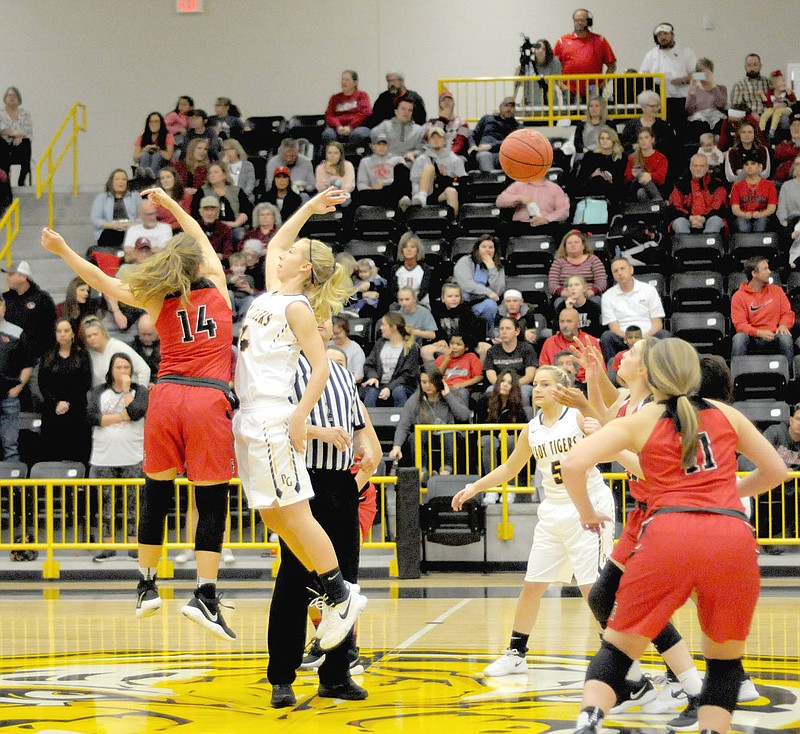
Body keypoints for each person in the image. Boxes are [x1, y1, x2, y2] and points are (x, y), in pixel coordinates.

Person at [560, 338, 787, 734]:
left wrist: (586, 512)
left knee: (617, 646)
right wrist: (728, 495)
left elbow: (574, 462)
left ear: (652, 373)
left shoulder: (644, 419)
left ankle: (590, 720)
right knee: (725, 662)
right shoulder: (726, 414)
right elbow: (776, 472)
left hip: (668, 529)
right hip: (731, 533)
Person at [42, 187, 239, 640]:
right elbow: (197, 235)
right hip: (207, 397)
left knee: (156, 491)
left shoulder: (156, 297)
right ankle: (205, 594)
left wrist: (63, 249)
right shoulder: (218, 284)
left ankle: (146, 585)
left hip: (166, 396)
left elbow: (102, 279)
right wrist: (171, 204)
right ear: (200, 264)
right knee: (209, 500)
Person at [232, 186, 369, 653]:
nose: (283, 253)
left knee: (293, 512)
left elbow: (323, 365)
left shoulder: (297, 307)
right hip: (248, 417)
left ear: (304, 268)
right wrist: (310, 207)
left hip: (272, 414)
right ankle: (335, 591)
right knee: (272, 513)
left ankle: (340, 594)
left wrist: (299, 417)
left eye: (294, 253)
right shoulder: (274, 293)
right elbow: (274, 244)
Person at [452, 365, 614, 675]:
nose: (536, 389)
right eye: (535, 384)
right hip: (552, 510)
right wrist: (475, 486)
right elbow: (510, 468)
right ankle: (516, 653)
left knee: (592, 590)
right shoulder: (532, 428)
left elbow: (607, 444)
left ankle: (616, 656)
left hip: (588, 506)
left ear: (561, 388)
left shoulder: (577, 417)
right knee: (532, 585)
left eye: (544, 384)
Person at [268, 317, 381, 707]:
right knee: (295, 581)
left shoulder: (343, 375)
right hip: (302, 482)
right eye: (312, 320)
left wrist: (364, 448)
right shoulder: (285, 369)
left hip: (339, 483)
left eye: (325, 320)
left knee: (345, 585)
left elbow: (357, 427)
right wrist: (319, 433)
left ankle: (335, 675)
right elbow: (278, 423)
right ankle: (281, 678)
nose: (320, 326)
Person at [88, 353, 149, 563]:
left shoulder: (139, 391)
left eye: (126, 368)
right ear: (110, 370)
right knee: (106, 504)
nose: (123, 372)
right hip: (103, 458)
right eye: (118, 368)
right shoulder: (99, 392)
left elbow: (136, 412)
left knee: (134, 504)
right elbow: (91, 417)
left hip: (133, 456)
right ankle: (108, 545)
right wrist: (119, 417)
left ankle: (134, 545)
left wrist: (125, 391)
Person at [388, 367, 471, 477]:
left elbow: (464, 416)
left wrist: (448, 396)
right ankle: (422, 473)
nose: (427, 385)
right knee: (416, 436)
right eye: (424, 382)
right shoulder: (415, 399)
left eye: (431, 382)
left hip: (448, 437)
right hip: (425, 437)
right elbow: (404, 424)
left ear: (439, 382)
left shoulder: (451, 396)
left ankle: (445, 473)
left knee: (448, 433)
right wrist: (396, 447)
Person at [37, 318, 92, 466]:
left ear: (73, 333)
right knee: (52, 452)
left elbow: (85, 383)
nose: (62, 334)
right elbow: (42, 384)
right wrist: (56, 403)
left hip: (76, 410)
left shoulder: (82, 355)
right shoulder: (47, 356)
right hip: (52, 411)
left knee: (76, 452)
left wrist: (68, 402)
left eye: (66, 331)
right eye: (59, 331)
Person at [600, 256, 668, 362]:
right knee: (606, 337)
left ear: (631, 270)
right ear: (612, 275)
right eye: (615, 271)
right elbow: (613, 327)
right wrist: (631, 338)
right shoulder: (608, 296)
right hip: (623, 337)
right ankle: (612, 372)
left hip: (648, 334)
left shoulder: (649, 290)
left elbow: (657, 323)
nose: (619, 273)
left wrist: (643, 336)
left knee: (664, 335)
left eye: (622, 269)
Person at [476, 370, 531, 497]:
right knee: (488, 441)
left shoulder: (517, 405)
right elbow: (480, 426)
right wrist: (498, 434)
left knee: (512, 440)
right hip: (488, 437)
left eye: (509, 382)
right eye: (503, 381)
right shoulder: (485, 400)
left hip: (509, 440)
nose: (505, 384)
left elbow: (522, 429)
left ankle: (509, 487)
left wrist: (506, 434)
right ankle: (492, 488)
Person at [730, 256, 795, 364]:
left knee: (785, 338)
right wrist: (758, 332)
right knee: (739, 339)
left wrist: (784, 325)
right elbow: (740, 325)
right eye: (765, 269)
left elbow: (787, 313)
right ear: (754, 274)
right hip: (752, 336)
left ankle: (790, 376)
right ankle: (735, 375)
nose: (769, 272)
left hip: (774, 334)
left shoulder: (777, 290)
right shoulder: (739, 296)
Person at [639, 23, 696, 130]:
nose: (663, 37)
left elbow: (700, 75)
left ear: (672, 35)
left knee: (680, 129)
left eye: (665, 34)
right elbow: (642, 74)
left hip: (681, 98)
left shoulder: (686, 52)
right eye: (659, 35)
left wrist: (683, 80)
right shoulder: (651, 55)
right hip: (658, 100)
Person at [0, 293, 35, 462]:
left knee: (10, 445)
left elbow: (28, 363)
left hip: (9, 396)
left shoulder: (17, 332)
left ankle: (12, 487)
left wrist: (18, 388)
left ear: (4, 307)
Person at [553, 8, 616, 101]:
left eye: (582, 20)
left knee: (593, 115)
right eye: (576, 20)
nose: (579, 23)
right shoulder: (562, 41)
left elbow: (612, 66)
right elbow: (553, 67)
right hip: (570, 91)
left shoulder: (600, 40)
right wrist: (562, 86)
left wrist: (602, 85)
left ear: (588, 22)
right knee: (569, 116)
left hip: (593, 89)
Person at [361, 311, 420, 407]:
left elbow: (408, 375)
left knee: (398, 391)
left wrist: (389, 387)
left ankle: (402, 420)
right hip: (380, 384)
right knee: (371, 392)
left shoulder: (410, 347)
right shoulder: (380, 344)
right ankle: (367, 421)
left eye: (384, 325)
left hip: (402, 386)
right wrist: (373, 377)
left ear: (394, 327)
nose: (381, 328)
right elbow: (369, 365)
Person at [453, 235, 506, 339]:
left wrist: (492, 269)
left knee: (491, 305)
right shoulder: (465, 261)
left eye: (491, 247)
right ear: (477, 248)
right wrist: (488, 292)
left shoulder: (498, 267)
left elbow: (498, 291)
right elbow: (466, 284)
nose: (487, 250)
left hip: (482, 303)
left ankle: (488, 337)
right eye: (484, 247)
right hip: (464, 302)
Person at [2, 260, 57, 358]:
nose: (7, 278)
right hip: (9, 357)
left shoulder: (42, 299)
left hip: (36, 356)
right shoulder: (5, 299)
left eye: (11, 274)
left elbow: (50, 328)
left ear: (23, 277)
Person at [191, 161, 252, 243]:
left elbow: (247, 210)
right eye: (210, 173)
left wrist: (235, 224)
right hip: (211, 229)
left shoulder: (236, 190)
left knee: (241, 235)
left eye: (216, 172)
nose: (212, 175)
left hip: (234, 227)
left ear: (224, 175)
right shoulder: (202, 191)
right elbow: (195, 213)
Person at [409, 127, 466, 214]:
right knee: (429, 167)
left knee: (451, 191)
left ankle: (452, 221)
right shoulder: (421, 159)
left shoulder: (454, 159)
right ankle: (421, 198)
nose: (436, 140)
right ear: (428, 141)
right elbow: (415, 181)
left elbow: (463, 180)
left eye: (439, 137)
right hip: (428, 191)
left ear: (444, 140)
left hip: (444, 192)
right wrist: (415, 196)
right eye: (433, 137)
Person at [496, 171, 571, 237]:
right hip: (521, 225)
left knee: (562, 228)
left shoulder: (555, 188)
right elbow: (500, 201)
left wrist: (547, 219)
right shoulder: (518, 185)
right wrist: (519, 198)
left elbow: (563, 211)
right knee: (503, 228)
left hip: (545, 224)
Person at [422, 282, 482, 363]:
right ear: (443, 298)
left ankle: (478, 373)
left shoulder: (466, 310)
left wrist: (462, 345)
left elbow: (471, 333)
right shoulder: (436, 310)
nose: (454, 299)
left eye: (457, 296)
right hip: (445, 344)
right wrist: (440, 339)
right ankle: (435, 375)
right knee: (425, 350)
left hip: (464, 345)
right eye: (450, 296)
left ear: (461, 298)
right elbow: (435, 330)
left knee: (485, 347)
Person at [668, 154, 727, 234]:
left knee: (716, 221)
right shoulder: (681, 185)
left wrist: (704, 218)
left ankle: (708, 246)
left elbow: (718, 206)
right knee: (679, 223)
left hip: (710, 218)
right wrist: (690, 218)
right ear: (690, 167)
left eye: (702, 166)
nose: (698, 169)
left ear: (707, 168)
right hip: (687, 219)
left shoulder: (716, 185)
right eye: (695, 166)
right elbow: (675, 206)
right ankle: (686, 246)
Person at [538, 308, 600, 384]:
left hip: (585, 386)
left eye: (569, 321)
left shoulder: (591, 342)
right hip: (556, 386)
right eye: (562, 321)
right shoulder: (549, 343)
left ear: (578, 323)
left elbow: (600, 372)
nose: (565, 325)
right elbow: (543, 372)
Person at [484, 316, 537, 405]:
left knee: (522, 395)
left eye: (508, 328)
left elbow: (530, 375)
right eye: (502, 329)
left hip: (522, 384)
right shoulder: (492, 351)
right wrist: (502, 385)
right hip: (499, 384)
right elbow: (491, 375)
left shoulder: (527, 349)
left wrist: (512, 385)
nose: (504, 332)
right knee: (489, 391)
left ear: (517, 331)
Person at [355, 132, 411, 209]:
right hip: (375, 192)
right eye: (378, 144)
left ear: (389, 145)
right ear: (372, 146)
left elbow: (404, 182)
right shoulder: (365, 161)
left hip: (393, 190)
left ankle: (400, 202)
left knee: (401, 168)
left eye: (384, 144)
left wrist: (383, 184)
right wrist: (373, 188)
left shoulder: (398, 159)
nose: (382, 147)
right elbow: (361, 185)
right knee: (361, 195)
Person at [574, 125, 627, 205]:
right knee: (598, 179)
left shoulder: (621, 157)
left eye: (608, 138)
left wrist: (610, 180)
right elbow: (581, 179)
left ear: (613, 141)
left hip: (612, 190)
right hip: (591, 186)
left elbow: (622, 180)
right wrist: (593, 175)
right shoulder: (590, 156)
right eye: (602, 138)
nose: (604, 141)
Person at [321, 69, 372, 149]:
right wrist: (338, 126)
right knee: (327, 134)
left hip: (357, 127)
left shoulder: (362, 95)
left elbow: (364, 113)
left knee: (358, 135)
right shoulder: (335, 98)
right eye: (342, 79)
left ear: (355, 82)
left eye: (347, 80)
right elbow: (330, 115)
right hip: (337, 128)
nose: (343, 82)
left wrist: (350, 126)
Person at [620, 91, 677, 162]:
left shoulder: (664, 126)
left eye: (657, 106)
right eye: (652, 106)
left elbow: (670, 147)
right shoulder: (631, 125)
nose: (656, 109)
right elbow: (624, 144)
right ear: (643, 107)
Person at [548, 230, 607, 299]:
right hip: (566, 297)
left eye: (576, 242)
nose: (573, 245)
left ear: (583, 245)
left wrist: (588, 294)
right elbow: (552, 285)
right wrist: (567, 294)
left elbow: (601, 282)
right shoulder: (558, 262)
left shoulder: (593, 260)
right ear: (565, 247)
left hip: (590, 296)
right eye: (569, 243)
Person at [468, 97, 521, 172]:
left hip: (503, 154)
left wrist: (491, 146)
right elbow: (473, 135)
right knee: (484, 156)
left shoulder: (517, 126)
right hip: (483, 153)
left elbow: (513, 142)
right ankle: (492, 177)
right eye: (506, 105)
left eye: (512, 106)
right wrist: (472, 146)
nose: (509, 109)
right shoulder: (487, 119)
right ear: (500, 107)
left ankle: (494, 177)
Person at [90, 169, 142, 246]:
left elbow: (143, 216)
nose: (121, 182)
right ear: (111, 182)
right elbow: (96, 219)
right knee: (111, 233)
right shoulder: (102, 197)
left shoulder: (135, 196)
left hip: (131, 229)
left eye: (124, 179)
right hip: (110, 230)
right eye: (117, 179)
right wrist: (113, 225)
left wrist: (131, 224)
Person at [730, 154, 778, 232]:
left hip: (763, 217)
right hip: (743, 217)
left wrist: (761, 214)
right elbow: (735, 209)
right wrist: (744, 214)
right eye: (746, 164)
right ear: (743, 168)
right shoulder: (737, 186)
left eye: (753, 163)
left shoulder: (769, 185)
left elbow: (772, 207)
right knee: (742, 225)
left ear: (759, 166)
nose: (749, 167)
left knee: (761, 223)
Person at [684, 58, 728, 142]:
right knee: (699, 125)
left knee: (722, 124)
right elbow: (689, 110)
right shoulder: (694, 89)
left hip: (716, 117)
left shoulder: (721, 88)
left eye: (707, 73)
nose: (704, 75)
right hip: (699, 119)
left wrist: (713, 86)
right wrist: (692, 92)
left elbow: (721, 105)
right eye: (701, 73)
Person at [433, 333, 483, 404]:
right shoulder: (441, 358)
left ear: (466, 347)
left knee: (461, 392)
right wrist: (445, 361)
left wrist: (462, 385)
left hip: (461, 388)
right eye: (452, 343)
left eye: (458, 344)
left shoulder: (471, 357)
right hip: (443, 388)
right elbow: (435, 377)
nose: (454, 347)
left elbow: (479, 377)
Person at [516, 38, 562, 112]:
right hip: (530, 106)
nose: (540, 51)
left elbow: (557, 84)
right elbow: (518, 83)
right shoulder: (529, 64)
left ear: (547, 51)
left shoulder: (553, 62)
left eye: (543, 49)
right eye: (537, 48)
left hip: (549, 106)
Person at [388, 232, 433, 305]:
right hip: (400, 304)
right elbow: (394, 290)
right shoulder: (396, 269)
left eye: (412, 247)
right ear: (401, 250)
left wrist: (413, 301)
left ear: (417, 250)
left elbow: (424, 290)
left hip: (420, 304)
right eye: (405, 247)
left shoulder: (425, 269)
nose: (409, 250)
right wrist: (403, 301)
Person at [623, 128, 668, 202]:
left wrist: (650, 176)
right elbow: (626, 180)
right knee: (641, 176)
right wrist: (633, 175)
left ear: (652, 140)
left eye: (646, 137)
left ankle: (654, 205)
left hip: (654, 188)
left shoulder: (661, 158)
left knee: (641, 192)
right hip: (634, 188)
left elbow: (661, 179)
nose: (643, 141)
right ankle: (658, 201)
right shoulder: (632, 158)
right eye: (641, 138)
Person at [0, 86, 32, 186]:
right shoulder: (1, 113)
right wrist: (17, 134)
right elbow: (2, 130)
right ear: (5, 98)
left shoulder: (25, 113)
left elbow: (27, 130)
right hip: (4, 146)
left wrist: (20, 137)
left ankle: (21, 180)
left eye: (14, 95)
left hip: (18, 146)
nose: (12, 97)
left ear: (19, 99)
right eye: (9, 95)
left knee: (26, 143)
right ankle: (5, 182)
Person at [423, 89, 470, 156]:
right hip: (434, 154)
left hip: (454, 156)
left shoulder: (462, 123)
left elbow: (459, 144)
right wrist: (442, 120)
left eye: (449, 100)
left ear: (454, 103)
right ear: (439, 104)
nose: (447, 102)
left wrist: (446, 157)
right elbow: (429, 139)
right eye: (443, 100)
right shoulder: (431, 122)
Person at [133, 112, 175, 179]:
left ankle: (152, 176)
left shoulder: (168, 136)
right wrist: (145, 150)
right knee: (145, 155)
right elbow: (135, 159)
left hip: (162, 165)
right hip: (145, 160)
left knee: (156, 155)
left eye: (156, 121)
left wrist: (158, 150)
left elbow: (168, 157)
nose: (154, 124)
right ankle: (142, 176)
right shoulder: (142, 137)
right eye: (151, 122)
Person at [195, 196, 234, 262]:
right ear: (200, 212)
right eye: (206, 209)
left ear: (218, 212)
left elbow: (228, 253)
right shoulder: (194, 227)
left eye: (212, 209)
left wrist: (222, 256)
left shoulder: (224, 229)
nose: (209, 213)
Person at [760, 70, 796, 140]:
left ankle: (772, 130)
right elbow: (768, 104)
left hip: (785, 110)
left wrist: (789, 93)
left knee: (778, 112)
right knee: (766, 114)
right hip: (774, 108)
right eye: (782, 81)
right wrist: (763, 97)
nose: (784, 83)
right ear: (775, 83)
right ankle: (762, 130)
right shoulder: (770, 93)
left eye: (784, 81)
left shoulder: (786, 92)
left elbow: (793, 100)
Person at [154, 167, 193, 232]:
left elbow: (186, 218)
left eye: (168, 177)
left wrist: (170, 226)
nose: (165, 180)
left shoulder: (186, 196)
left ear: (175, 179)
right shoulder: (155, 198)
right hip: (161, 232)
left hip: (180, 231)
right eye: (162, 178)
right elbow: (152, 220)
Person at [778, 156, 800, 266]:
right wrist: (784, 220)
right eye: (797, 164)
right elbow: (781, 208)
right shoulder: (786, 186)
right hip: (792, 221)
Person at [330, 316, 365, 384]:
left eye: (337, 333)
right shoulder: (327, 345)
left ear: (346, 331)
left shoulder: (356, 349)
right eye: (332, 333)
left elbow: (359, 377)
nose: (333, 337)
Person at [221, 139, 256, 203]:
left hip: (245, 198)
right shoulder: (222, 167)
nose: (228, 152)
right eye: (225, 150)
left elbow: (250, 185)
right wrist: (224, 166)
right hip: (226, 199)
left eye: (231, 149)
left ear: (237, 150)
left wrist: (240, 197)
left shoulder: (248, 165)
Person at [131, 313, 161, 387]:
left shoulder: (166, 348)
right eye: (143, 334)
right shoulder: (132, 348)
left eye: (150, 334)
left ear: (158, 331)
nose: (146, 338)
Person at [773, 114, 800, 182]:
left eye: (799, 125)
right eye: (793, 125)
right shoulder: (785, 144)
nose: (796, 128)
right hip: (779, 182)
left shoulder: (786, 146)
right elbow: (778, 152)